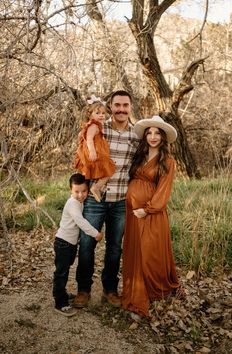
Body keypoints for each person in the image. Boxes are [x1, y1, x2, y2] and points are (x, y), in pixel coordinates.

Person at [73, 90, 139, 309]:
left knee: (114, 248)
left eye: (125, 105)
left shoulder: (136, 135)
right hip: (95, 198)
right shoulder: (101, 127)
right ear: (111, 107)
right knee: (87, 244)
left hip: (121, 200)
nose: (121, 109)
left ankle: (110, 289)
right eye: (117, 105)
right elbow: (85, 151)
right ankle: (83, 290)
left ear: (130, 107)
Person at [122, 115, 185, 319]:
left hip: (151, 213)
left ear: (163, 137)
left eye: (157, 133)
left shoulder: (167, 161)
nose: (153, 136)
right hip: (133, 213)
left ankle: (155, 289)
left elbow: (163, 192)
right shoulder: (138, 156)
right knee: (136, 249)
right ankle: (139, 287)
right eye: (149, 132)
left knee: (150, 251)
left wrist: (147, 209)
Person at [53, 173, 103, 317]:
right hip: (63, 243)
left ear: (88, 190)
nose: (80, 195)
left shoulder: (80, 202)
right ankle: (60, 302)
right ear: (70, 190)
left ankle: (61, 293)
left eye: (84, 191)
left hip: (70, 243)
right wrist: (96, 233)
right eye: (76, 191)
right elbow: (80, 222)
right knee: (61, 272)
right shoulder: (72, 204)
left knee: (65, 269)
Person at [74, 95, 116, 202]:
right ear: (90, 114)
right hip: (96, 152)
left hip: (97, 151)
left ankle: (96, 187)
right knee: (110, 169)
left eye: (103, 113)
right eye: (97, 113)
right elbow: (89, 138)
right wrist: (92, 151)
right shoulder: (93, 125)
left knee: (105, 170)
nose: (101, 115)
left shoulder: (96, 125)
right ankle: (96, 187)